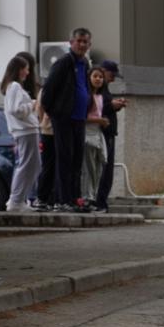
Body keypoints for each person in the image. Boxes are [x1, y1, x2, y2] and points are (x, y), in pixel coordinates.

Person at [39, 28, 93, 211]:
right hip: (64, 119)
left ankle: (74, 198)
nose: (82, 45)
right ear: (71, 42)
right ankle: (62, 200)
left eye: (85, 42)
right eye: (79, 41)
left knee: (77, 160)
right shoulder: (63, 63)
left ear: (89, 45)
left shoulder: (85, 63)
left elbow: (85, 87)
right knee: (65, 159)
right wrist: (55, 113)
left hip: (79, 118)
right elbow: (48, 91)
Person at [1, 53, 42, 212]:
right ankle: (16, 200)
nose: (28, 72)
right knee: (27, 165)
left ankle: (19, 199)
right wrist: (32, 104)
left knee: (33, 166)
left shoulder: (12, 87)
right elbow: (16, 110)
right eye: (26, 69)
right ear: (19, 70)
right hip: (25, 131)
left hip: (26, 131)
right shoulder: (15, 86)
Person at [91, 58, 127, 211]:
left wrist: (114, 105)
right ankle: (98, 202)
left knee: (107, 171)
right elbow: (95, 110)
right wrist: (111, 105)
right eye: (111, 75)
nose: (112, 79)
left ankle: (101, 202)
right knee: (102, 171)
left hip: (109, 132)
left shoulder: (104, 90)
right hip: (101, 133)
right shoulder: (95, 91)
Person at [82, 66, 110, 207]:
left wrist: (102, 122)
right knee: (89, 167)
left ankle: (92, 195)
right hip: (88, 133)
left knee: (100, 164)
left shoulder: (100, 97)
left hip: (98, 133)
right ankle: (87, 197)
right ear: (89, 78)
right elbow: (83, 117)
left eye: (101, 77)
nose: (98, 79)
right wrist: (99, 120)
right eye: (95, 76)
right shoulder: (86, 96)